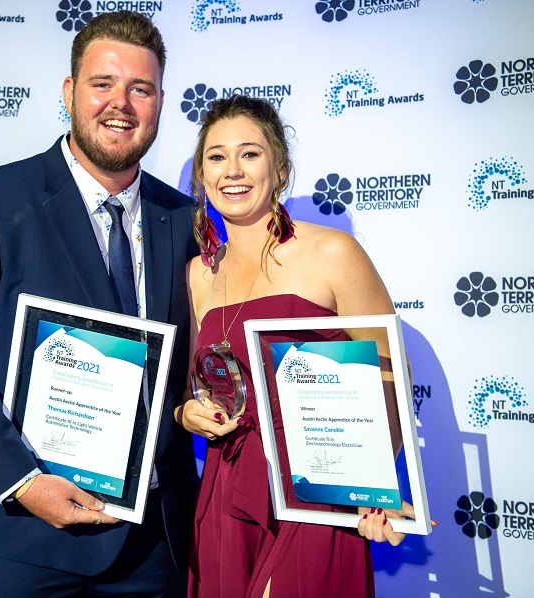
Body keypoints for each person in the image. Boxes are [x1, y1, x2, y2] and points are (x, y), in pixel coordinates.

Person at [0, 11, 198, 597]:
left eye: (140, 89)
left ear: (161, 102)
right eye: (103, 84)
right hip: (19, 547)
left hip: (151, 551)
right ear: (69, 92)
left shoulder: (184, 219)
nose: (121, 104)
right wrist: (22, 480)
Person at [176, 95, 423, 598]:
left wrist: (369, 484)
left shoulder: (332, 252)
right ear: (202, 177)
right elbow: (188, 392)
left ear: (280, 167)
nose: (232, 170)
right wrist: (187, 415)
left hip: (318, 487)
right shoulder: (197, 275)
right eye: (216, 157)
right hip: (227, 490)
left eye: (250, 153)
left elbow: (392, 375)